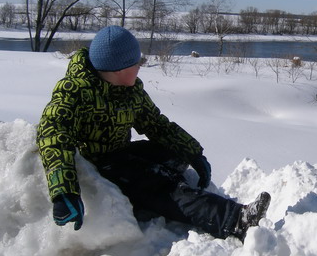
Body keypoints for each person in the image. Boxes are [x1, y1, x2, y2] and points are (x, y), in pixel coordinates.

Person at [36, 25, 270, 241]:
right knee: (163, 185)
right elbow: (52, 134)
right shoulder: (75, 92)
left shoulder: (131, 91)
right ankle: (236, 220)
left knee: (172, 152)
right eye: (136, 64)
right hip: (99, 167)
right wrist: (63, 192)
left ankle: (150, 190)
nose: (140, 68)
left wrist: (193, 153)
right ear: (119, 70)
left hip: (121, 152)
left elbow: (157, 125)